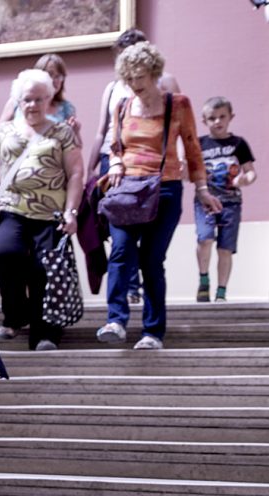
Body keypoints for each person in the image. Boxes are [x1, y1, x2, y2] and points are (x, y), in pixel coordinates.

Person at [95, 42, 222, 350]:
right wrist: (114, 165)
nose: (135, 85)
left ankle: (152, 332)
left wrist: (202, 189)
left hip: (164, 188)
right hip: (126, 189)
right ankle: (116, 320)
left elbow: (192, 148)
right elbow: (115, 145)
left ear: (154, 73)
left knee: (152, 259)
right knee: (121, 251)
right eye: (129, 79)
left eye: (140, 77)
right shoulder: (123, 105)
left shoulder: (177, 104)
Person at [0, 69, 84, 352]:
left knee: (43, 270)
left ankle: (45, 334)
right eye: (27, 100)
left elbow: (77, 173)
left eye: (38, 99)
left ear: (49, 99)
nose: (32, 105)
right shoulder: (6, 131)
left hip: (50, 214)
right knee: (3, 252)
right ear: (18, 101)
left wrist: (72, 212)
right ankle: (16, 314)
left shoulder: (62, 132)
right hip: (11, 208)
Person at [86, 28, 181, 304]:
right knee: (119, 232)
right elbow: (101, 130)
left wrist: (180, 160)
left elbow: (176, 127)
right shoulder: (113, 88)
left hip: (150, 165)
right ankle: (129, 287)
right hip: (113, 162)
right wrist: (93, 166)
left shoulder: (166, 83)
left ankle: (137, 286)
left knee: (147, 228)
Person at [194, 96, 256, 303]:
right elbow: (191, 171)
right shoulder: (200, 144)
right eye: (212, 118)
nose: (217, 122)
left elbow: (251, 172)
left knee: (225, 248)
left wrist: (244, 180)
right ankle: (204, 280)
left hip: (232, 202)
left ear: (231, 117)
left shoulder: (238, 144)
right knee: (205, 238)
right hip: (206, 201)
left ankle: (221, 292)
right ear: (205, 121)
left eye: (222, 117)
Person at [0, 54, 77, 129]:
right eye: (49, 75)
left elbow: (71, 141)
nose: (54, 80)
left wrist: (73, 131)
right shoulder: (16, 101)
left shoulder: (66, 108)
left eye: (58, 76)